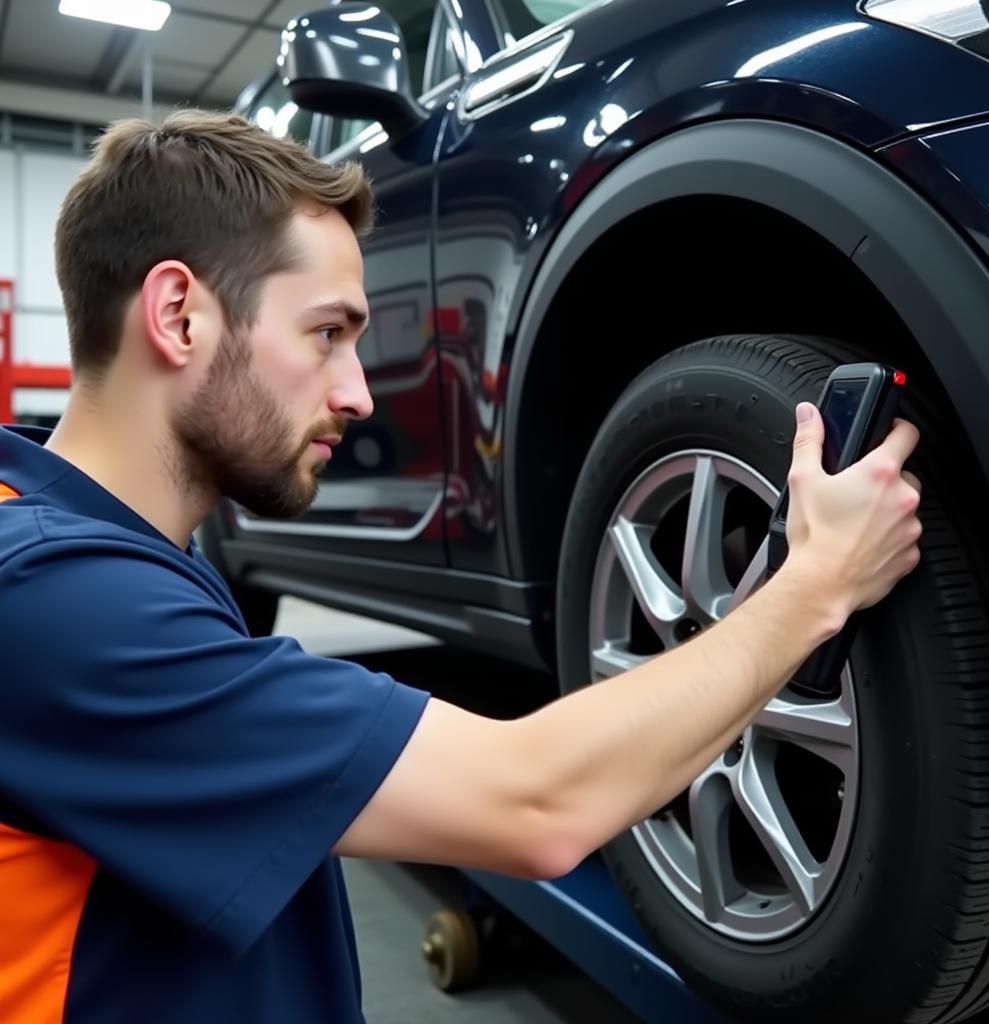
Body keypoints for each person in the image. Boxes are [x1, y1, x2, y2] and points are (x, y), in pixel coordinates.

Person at [0, 111, 922, 1024]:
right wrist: (815, 585)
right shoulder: (57, 603)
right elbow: (535, 803)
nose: (359, 393)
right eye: (328, 333)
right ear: (178, 315)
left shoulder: (101, 553)